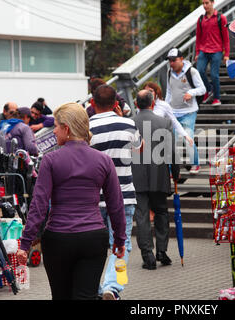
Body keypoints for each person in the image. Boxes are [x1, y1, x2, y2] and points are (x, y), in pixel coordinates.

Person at [16, 103, 126, 300]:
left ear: (66, 128)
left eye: (56, 126)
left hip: (59, 238)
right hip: (93, 238)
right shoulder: (103, 160)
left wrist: (25, 243)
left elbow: (39, 205)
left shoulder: (51, 160)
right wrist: (119, 239)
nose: (54, 130)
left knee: (61, 296)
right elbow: (115, 204)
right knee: (86, 296)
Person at [89, 84, 143, 300]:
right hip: (124, 195)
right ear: (116, 104)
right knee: (122, 244)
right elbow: (139, 150)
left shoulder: (86, 127)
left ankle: (93, 286)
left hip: (94, 198)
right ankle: (112, 287)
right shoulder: (128, 125)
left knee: (93, 245)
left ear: (92, 103)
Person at [131, 89, 180, 270]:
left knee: (142, 215)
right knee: (161, 213)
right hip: (158, 174)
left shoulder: (130, 123)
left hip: (136, 176)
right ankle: (162, 251)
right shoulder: (164, 122)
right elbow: (171, 151)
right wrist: (176, 172)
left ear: (136, 104)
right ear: (152, 103)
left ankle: (148, 255)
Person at [165, 47, 206, 174]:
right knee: (172, 141)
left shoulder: (192, 72)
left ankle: (195, 164)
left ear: (181, 59)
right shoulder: (168, 73)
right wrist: (166, 109)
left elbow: (202, 89)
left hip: (189, 112)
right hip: (174, 112)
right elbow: (169, 92)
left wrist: (191, 93)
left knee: (187, 138)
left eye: (174, 60)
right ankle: (172, 169)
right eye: (170, 61)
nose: (171, 63)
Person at [195, 0, 230, 107]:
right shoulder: (201, 19)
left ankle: (216, 98)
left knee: (214, 75)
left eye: (207, 3)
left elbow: (226, 37)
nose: (205, 6)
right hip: (203, 50)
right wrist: (197, 52)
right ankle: (209, 89)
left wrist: (227, 54)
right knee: (199, 71)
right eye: (203, 3)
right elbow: (198, 37)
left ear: (212, 3)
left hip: (217, 50)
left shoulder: (221, 18)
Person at [143, 81, 194, 147]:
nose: (148, 94)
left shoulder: (164, 105)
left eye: (151, 91)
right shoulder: (141, 106)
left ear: (156, 92)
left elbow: (174, 121)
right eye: (145, 91)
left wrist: (185, 135)